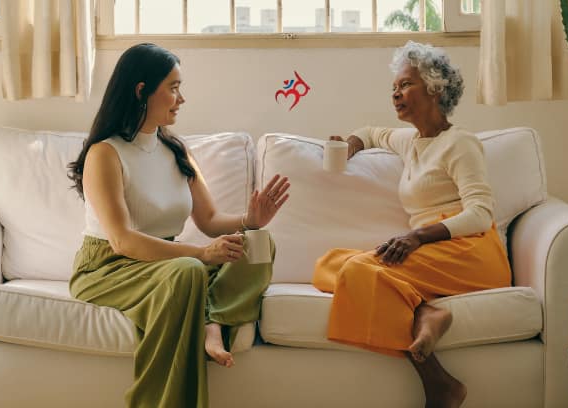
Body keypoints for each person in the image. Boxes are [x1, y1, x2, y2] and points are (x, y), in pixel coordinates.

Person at [66, 43, 290, 408]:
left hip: (168, 264)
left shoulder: (176, 152)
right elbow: (122, 241)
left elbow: (211, 221)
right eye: (173, 87)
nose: (181, 98)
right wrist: (202, 254)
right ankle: (179, 365)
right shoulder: (104, 154)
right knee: (188, 271)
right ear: (141, 90)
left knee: (259, 245)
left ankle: (210, 320)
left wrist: (252, 221)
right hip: (109, 266)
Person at [312, 41, 511, 408]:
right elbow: (372, 132)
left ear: (435, 88)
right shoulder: (411, 141)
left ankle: (438, 382)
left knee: (358, 269)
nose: (396, 94)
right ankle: (424, 311)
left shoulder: (460, 143)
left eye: (405, 85)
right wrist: (351, 144)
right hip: (431, 250)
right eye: (394, 88)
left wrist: (417, 236)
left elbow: (481, 213)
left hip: (471, 250)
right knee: (329, 263)